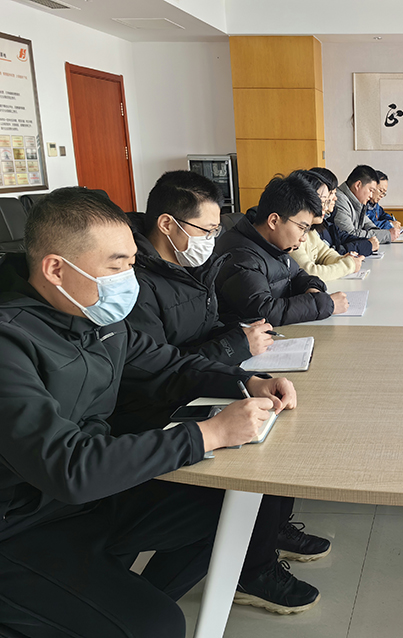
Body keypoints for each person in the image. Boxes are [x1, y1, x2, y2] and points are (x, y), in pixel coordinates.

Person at [0, 187, 299, 636]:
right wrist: (210, 434)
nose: (129, 279)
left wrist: (246, 381)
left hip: (88, 501)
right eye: (117, 265)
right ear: (56, 269)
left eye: (132, 263)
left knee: (233, 507)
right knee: (157, 626)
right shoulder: (10, 341)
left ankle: (115, 607)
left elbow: (169, 365)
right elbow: (67, 466)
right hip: (20, 523)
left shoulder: (96, 319)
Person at [114, 170, 331, 613]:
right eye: (207, 230)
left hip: (195, 382)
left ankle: (266, 537)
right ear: (168, 224)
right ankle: (251, 569)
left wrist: (249, 376)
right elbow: (156, 365)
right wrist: (236, 349)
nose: (214, 240)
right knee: (259, 458)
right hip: (154, 408)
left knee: (276, 419)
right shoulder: (133, 283)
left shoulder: (190, 265)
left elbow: (204, 330)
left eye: (217, 229)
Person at [214, 173, 350, 326]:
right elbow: (264, 311)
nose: (304, 237)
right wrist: (324, 304)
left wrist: (312, 288)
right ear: (273, 221)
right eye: (302, 228)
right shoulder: (241, 255)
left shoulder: (271, 243)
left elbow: (298, 274)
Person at [289, 169, 366, 281]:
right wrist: (349, 265)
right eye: (324, 200)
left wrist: (343, 259)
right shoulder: (292, 231)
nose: (325, 206)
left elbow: (325, 254)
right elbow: (309, 272)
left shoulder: (310, 230)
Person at [311, 166, 378, 257]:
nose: (335, 198)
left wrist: (366, 243)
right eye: (331, 193)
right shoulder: (311, 228)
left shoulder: (326, 221)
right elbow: (330, 254)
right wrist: (366, 246)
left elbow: (342, 236)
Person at [332, 165, 402, 243]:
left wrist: (380, 233)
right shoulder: (339, 200)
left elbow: (367, 223)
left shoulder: (356, 201)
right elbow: (350, 234)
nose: (371, 195)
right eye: (371, 190)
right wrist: (386, 235)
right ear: (358, 185)